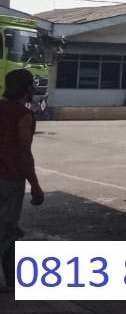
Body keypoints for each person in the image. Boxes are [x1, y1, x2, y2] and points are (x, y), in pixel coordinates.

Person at [0, 69, 44, 292]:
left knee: (8, 229)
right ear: (27, 88)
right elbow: (24, 152)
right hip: (10, 178)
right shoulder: (23, 115)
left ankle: (11, 279)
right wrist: (35, 185)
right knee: (7, 229)